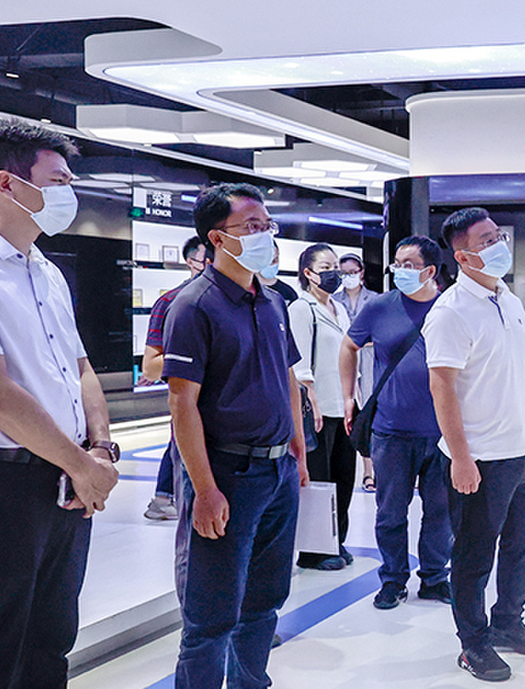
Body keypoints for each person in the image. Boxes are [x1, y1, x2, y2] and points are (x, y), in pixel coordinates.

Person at [0, 118, 121, 689]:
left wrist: (100, 449)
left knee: (52, 636)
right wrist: (81, 465)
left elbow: (80, 368)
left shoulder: (47, 270)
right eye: (58, 180)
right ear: (7, 184)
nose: (69, 192)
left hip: (64, 481)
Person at [162, 182, 309, 688]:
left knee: (265, 600)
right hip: (227, 472)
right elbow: (182, 403)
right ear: (218, 238)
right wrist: (204, 489)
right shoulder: (194, 305)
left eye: (268, 225)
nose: (266, 235)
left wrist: (297, 449)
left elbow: (287, 375)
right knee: (212, 612)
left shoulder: (271, 300)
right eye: (252, 227)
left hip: (277, 470)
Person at [425, 207, 525, 682]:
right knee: (474, 556)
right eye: (486, 240)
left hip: (521, 451)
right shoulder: (450, 312)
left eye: (498, 235)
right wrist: (460, 457)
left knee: (524, 544)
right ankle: (473, 643)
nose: (500, 245)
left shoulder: (508, 298)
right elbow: (441, 387)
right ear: (462, 256)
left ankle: (508, 623)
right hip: (479, 458)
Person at [341, 235, 453, 609]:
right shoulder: (380, 307)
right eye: (397, 264)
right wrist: (348, 396)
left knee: (440, 512)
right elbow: (349, 346)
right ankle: (392, 579)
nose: (399, 271)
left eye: (408, 265)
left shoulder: (450, 308)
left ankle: (435, 578)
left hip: (442, 432)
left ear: (430, 270)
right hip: (390, 430)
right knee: (390, 512)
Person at [289, 243, 356, 571]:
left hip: (343, 407)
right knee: (320, 480)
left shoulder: (338, 308)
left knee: (344, 478)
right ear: (309, 273)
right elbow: (299, 364)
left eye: (335, 267)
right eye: (326, 267)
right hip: (318, 408)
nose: (334, 273)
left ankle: (336, 540)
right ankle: (314, 550)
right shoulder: (301, 309)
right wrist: (311, 401)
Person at [141, 235, 211, 521]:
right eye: (206, 259)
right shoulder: (172, 302)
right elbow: (150, 367)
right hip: (192, 411)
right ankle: (164, 498)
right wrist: (198, 358)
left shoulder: (249, 300)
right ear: (191, 262)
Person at [334, 251, 381, 490]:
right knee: (350, 409)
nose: (349, 277)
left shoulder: (375, 299)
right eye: (344, 273)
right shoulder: (334, 300)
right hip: (345, 358)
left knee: (370, 411)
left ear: (361, 273)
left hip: (371, 359)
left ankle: (370, 471)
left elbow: (380, 331)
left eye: (353, 272)